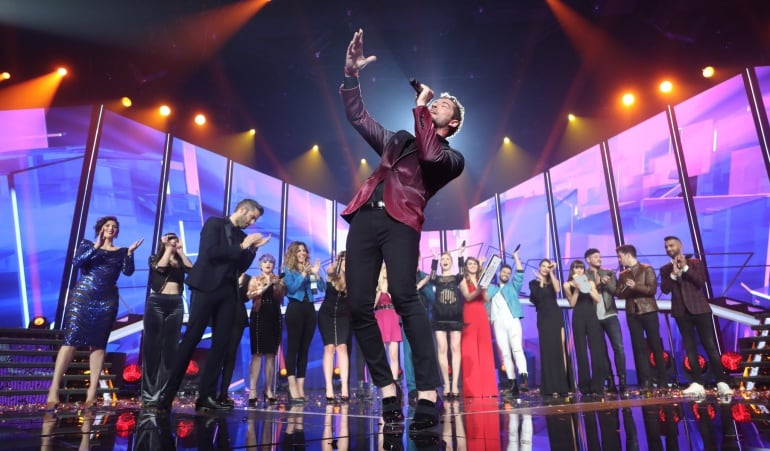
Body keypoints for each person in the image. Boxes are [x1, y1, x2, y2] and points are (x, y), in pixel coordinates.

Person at [341, 28, 465, 430]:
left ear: (454, 121)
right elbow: (359, 117)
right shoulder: (395, 140)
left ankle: (428, 392)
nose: (437, 103)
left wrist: (421, 107)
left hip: (402, 221)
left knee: (404, 296)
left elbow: (429, 153)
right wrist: (350, 75)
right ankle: (388, 389)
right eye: (436, 100)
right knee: (358, 305)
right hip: (366, 216)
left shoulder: (452, 157)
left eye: (444, 104)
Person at [158, 199, 270, 414]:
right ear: (242, 210)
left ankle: (206, 396)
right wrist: (243, 246)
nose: (252, 221)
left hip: (228, 293)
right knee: (191, 338)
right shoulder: (214, 224)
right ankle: (168, 394)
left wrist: (252, 249)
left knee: (221, 344)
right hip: (205, 288)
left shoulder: (242, 237)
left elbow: (241, 266)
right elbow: (211, 253)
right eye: (252, 216)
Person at [46, 216, 143, 409]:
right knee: (71, 341)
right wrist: (96, 246)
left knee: (98, 345)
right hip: (83, 298)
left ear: (117, 232)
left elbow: (128, 271)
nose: (111, 228)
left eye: (114, 227)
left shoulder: (122, 252)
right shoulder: (87, 245)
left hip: (107, 301)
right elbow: (77, 262)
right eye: (107, 225)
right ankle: (54, 389)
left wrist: (130, 254)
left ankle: (92, 393)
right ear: (100, 228)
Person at [659, 236, 733, 398]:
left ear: (680, 245)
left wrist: (685, 268)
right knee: (689, 347)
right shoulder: (665, 269)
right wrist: (673, 274)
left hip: (700, 309)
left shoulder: (695, 263)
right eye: (666, 247)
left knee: (709, 345)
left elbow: (700, 282)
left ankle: (722, 381)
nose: (669, 249)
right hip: (681, 312)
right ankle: (697, 382)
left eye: (671, 245)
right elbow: (665, 289)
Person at [141, 232, 191, 408]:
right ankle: (149, 394)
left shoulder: (179, 261)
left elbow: (191, 269)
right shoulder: (155, 258)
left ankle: (165, 393)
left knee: (171, 349)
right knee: (153, 347)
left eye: (175, 239)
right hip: (157, 303)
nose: (173, 241)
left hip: (176, 303)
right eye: (169, 239)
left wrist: (180, 251)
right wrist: (168, 249)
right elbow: (161, 268)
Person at [615, 244, 667, 392]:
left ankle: (662, 380)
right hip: (633, 313)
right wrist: (626, 288)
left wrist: (636, 286)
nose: (619, 259)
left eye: (620, 256)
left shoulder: (647, 269)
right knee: (638, 348)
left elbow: (651, 290)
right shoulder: (623, 274)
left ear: (628, 255)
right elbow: (619, 294)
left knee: (656, 346)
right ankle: (646, 382)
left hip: (648, 311)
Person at [282, 241, 324, 403]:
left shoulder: (310, 268)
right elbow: (292, 288)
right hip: (295, 309)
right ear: (293, 253)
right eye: (299, 251)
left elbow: (321, 288)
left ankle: (300, 386)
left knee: (305, 349)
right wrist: (304, 275)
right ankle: (291, 385)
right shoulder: (289, 270)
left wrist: (316, 274)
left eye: (304, 251)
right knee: (294, 347)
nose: (303, 253)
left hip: (309, 310)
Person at [563, 260, 609, 396]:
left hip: (591, 318)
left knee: (596, 350)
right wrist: (577, 288)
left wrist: (586, 287)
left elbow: (597, 299)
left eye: (581, 268)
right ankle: (584, 385)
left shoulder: (590, 282)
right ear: (572, 270)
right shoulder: (567, 284)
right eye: (576, 268)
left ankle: (598, 385)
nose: (579, 270)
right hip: (578, 318)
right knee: (581, 351)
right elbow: (571, 304)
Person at [584, 248, 627, 394]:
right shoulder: (583, 275)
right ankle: (609, 381)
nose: (599, 259)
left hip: (610, 314)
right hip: (593, 317)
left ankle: (622, 380)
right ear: (588, 259)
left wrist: (606, 283)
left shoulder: (609, 272)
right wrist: (597, 284)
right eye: (596, 257)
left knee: (618, 347)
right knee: (601, 351)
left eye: (599, 256)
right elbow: (585, 293)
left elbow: (615, 291)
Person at [485, 250, 528, 396]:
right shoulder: (491, 288)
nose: (506, 274)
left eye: (508, 273)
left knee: (517, 348)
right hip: (498, 323)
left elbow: (520, 273)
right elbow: (482, 292)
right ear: (499, 273)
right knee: (505, 353)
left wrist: (516, 257)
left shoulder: (513, 287)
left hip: (513, 320)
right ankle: (512, 383)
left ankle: (523, 377)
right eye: (503, 272)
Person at [528, 259, 571, 397]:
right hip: (544, 318)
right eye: (543, 266)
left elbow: (558, 289)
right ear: (539, 267)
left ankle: (563, 385)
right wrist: (540, 281)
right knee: (548, 351)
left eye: (548, 266)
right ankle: (550, 387)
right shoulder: (533, 283)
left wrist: (552, 272)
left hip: (555, 316)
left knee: (559, 348)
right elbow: (538, 298)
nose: (546, 268)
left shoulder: (552, 281)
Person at [246, 253, 285, 407]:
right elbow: (250, 295)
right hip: (259, 315)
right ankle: (253, 390)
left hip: (274, 315)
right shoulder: (255, 279)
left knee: (271, 354)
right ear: (260, 265)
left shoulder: (278, 279)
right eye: (265, 262)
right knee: (257, 353)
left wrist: (278, 285)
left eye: (271, 262)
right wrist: (267, 286)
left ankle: (268, 389)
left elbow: (281, 296)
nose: (268, 264)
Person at [459, 256, 498, 398]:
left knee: (485, 349)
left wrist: (484, 289)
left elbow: (486, 299)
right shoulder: (464, 280)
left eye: (474, 263)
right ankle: (473, 390)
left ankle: (488, 389)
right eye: (469, 263)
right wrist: (479, 289)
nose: (472, 265)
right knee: (469, 349)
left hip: (481, 314)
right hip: (469, 313)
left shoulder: (482, 279)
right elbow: (468, 297)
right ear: (466, 267)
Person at [429, 249, 465, 398]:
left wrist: (461, 256)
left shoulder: (456, 278)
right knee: (442, 349)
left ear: (451, 262)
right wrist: (435, 260)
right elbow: (431, 277)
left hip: (455, 317)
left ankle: (455, 384)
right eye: (443, 259)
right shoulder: (437, 279)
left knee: (455, 348)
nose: (445, 261)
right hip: (439, 317)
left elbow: (462, 273)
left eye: (447, 259)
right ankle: (446, 384)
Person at [318, 251, 351, 403]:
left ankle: (344, 387)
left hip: (344, 315)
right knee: (329, 347)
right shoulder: (332, 271)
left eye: (346, 260)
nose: (344, 262)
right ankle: (329, 387)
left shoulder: (354, 275)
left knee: (342, 347)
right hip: (327, 314)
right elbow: (334, 281)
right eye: (342, 260)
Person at [215, 271, 251, 407]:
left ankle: (223, 393)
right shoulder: (224, 273)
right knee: (218, 354)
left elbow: (245, 297)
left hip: (237, 317)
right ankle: (210, 392)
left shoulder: (247, 278)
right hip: (222, 316)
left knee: (230, 355)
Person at [374, 265, 402, 382]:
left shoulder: (394, 285)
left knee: (394, 353)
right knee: (381, 354)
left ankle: (394, 381)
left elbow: (398, 302)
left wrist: (389, 291)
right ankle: (384, 381)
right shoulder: (376, 286)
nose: (386, 271)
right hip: (380, 316)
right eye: (384, 269)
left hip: (393, 316)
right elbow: (373, 305)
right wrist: (380, 290)